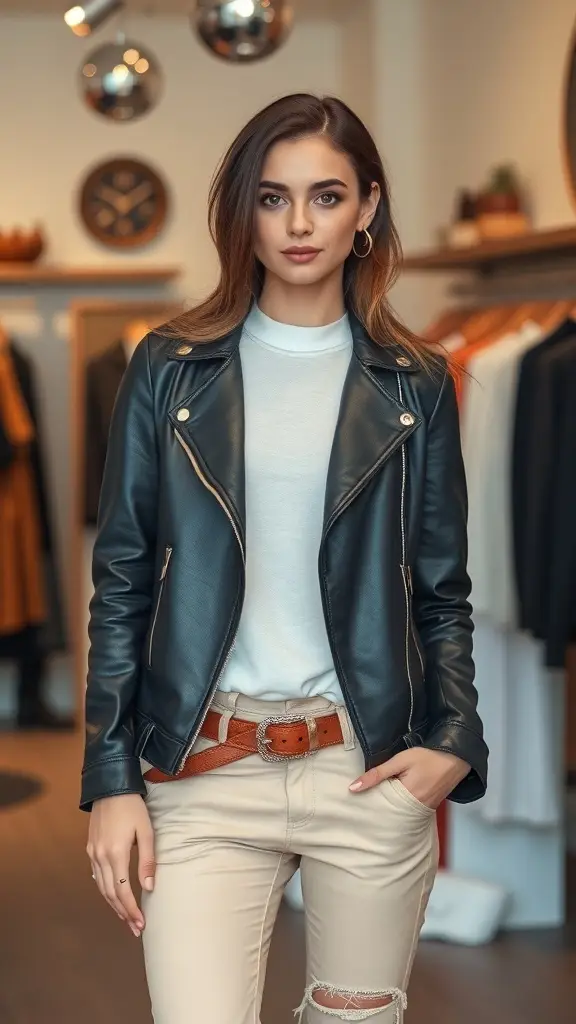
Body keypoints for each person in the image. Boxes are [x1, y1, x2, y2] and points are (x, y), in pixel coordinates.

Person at [81, 93, 488, 1024]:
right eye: (273, 198)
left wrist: (450, 745)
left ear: (368, 207)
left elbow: (441, 590)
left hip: (367, 766)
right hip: (202, 768)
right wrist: (110, 779)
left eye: (326, 195)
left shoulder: (415, 381)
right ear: (243, 213)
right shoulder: (171, 366)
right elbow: (124, 580)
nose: (300, 224)